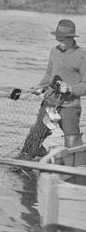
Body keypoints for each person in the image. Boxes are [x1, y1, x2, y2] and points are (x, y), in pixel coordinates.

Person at [20, 19, 86, 158]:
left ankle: (77, 167)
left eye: (61, 39)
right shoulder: (54, 51)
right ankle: (26, 158)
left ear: (71, 38)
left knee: (72, 140)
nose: (58, 41)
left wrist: (69, 88)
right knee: (35, 134)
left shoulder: (82, 55)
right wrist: (40, 87)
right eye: (57, 38)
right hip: (49, 102)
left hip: (69, 106)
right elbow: (49, 74)